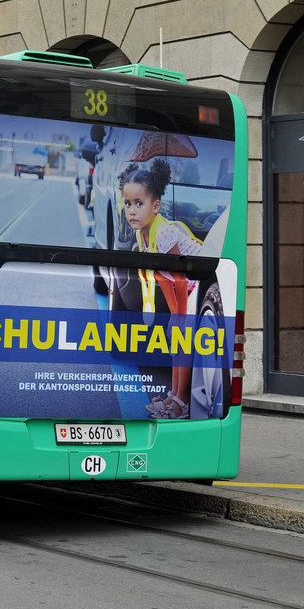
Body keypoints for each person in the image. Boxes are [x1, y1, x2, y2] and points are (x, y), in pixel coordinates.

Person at [118, 158, 201, 418]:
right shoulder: (141, 234)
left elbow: (178, 276)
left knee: (181, 337)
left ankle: (181, 402)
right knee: (174, 334)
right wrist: (173, 317)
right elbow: (162, 277)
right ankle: (173, 396)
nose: (131, 211)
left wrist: (179, 315)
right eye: (127, 204)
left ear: (155, 206)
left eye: (138, 204)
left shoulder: (163, 233)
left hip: (200, 283)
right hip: (183, 287)